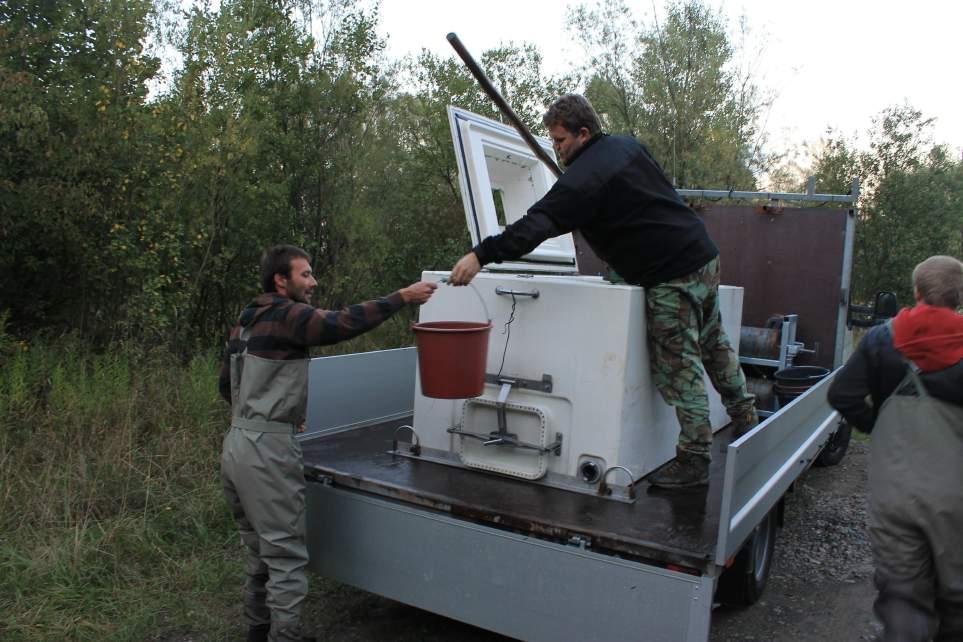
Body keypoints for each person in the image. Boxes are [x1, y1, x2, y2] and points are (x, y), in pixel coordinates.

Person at [448, 94, 756, 488]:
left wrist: (481, 255)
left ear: (583, 133)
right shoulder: (627, 146)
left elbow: (535, 225)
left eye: (559, 141)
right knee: (714, 344)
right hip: (702, 256)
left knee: (680, 370)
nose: (556, 150)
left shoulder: (584, 179)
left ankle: (695, 460)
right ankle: (745, 417)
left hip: (671, 275)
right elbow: (637, 209)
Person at [218, 245, 436, 642]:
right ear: (280, 281)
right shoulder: (287, 315)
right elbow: (340, 323)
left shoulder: (245, 321)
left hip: (235, 442)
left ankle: (257, 630)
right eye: (305, 275)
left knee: (258, 550)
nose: (313, 282)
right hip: (267, 451)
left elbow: (225, 387)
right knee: (284, 553)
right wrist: (401, 298)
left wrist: (268, 409)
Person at [828, 255, 963, 642]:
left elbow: (843, 394)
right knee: (956, 597)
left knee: (903, 599)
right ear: (958, 296)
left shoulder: (880, 338)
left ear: (917, 291)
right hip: (956, 497)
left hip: (896, 492)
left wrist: (879, 429)